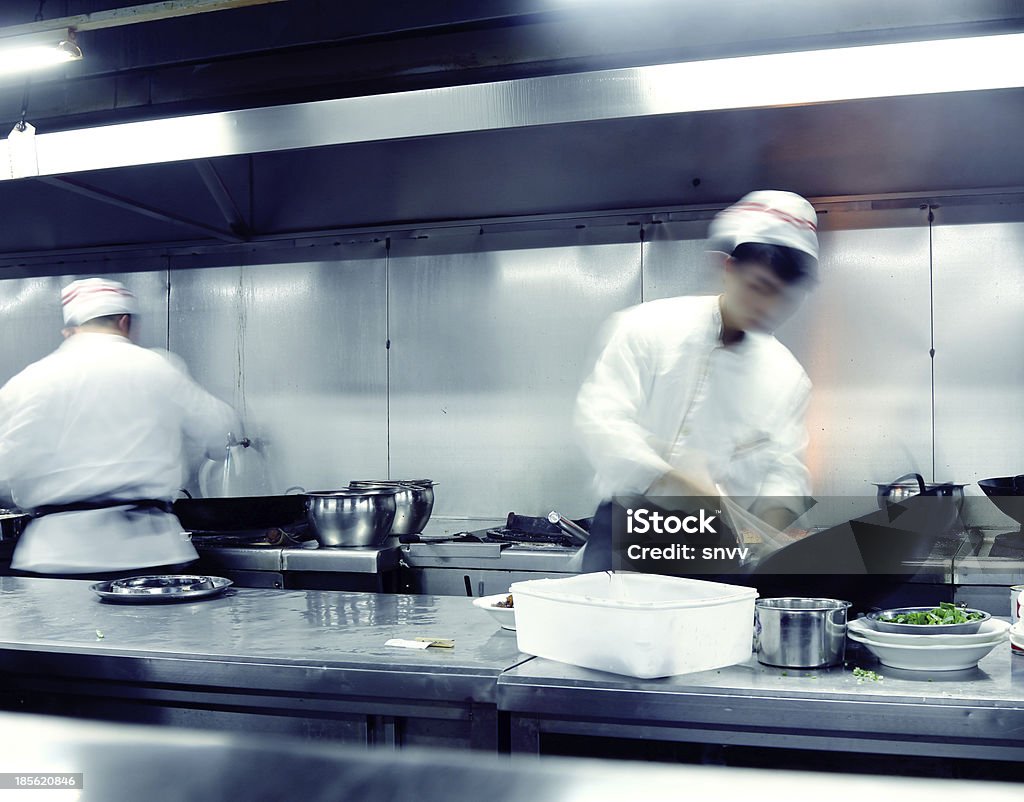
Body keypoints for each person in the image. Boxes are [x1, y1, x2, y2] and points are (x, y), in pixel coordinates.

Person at [573, 190, 820, 572]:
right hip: (625, 536)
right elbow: (600, 421)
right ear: (727, 268)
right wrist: (673, 479)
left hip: (716, 551)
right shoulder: (646, 328)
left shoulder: (786, 376)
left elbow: (784, 471)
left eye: (781, 296)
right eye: (757, 287)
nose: (766, 307)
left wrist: (770, 530)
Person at [0, 277, 240, 578]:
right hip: (145, 551)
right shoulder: (156, 366)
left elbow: (5, 469)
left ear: (70, 331)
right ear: (125, 322)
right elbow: (221, 432)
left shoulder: (29, 381)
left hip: (55, 554)